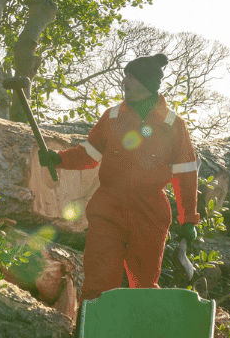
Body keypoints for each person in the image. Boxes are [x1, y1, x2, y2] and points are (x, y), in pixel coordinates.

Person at [37, 53, 201, 302]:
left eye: (130, 77)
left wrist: (188, 219)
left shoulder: (173, 124)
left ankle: (139, 336)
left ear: (146, 83)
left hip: (149, 211)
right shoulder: (112, 117)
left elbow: (186, 175)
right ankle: (89, 335)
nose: (124, 81)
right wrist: (59, 159)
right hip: (108, 208)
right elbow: (88, 155)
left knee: (144, 284)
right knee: (98, 281)